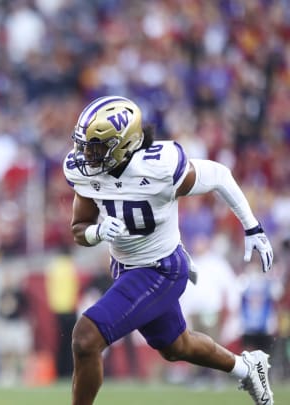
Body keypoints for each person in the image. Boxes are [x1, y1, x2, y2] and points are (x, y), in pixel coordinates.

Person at [63, 96, 275, 405]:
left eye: (95, 146)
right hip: (125, 267)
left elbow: (218, 175)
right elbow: (79, 228)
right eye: (84, 144)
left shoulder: (158, 168)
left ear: (123, 143)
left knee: (85, 339)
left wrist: (252, 226)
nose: (85, 154)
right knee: (177, 346)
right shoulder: (87, 173)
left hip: (161, 268)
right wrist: (97, 232)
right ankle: (247, 368)